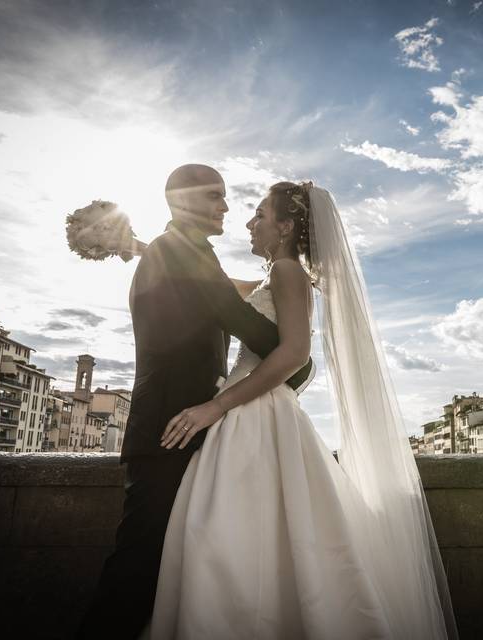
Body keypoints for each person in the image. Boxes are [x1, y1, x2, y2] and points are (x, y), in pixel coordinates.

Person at [146, 182, 457, 639]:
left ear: (286, 227)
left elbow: (292, 354)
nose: (249, 223)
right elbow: (218, 288)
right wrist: (136, 246)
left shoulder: (289, 273)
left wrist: (216, 406)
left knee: (224, 537)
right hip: (255, 411)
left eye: (259, 215)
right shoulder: (279, 275)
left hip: (253, 414)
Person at [76, 165, 314, 639]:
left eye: (229, 199)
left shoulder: (180, 252)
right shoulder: (182, 253)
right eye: (215, 196)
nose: (227, 207)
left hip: (183, 429)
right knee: (138, 568)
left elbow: (228, 294)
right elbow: (259, 330)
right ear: (180, 200)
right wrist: (298, 358)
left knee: (160, 566)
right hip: (170, 430)